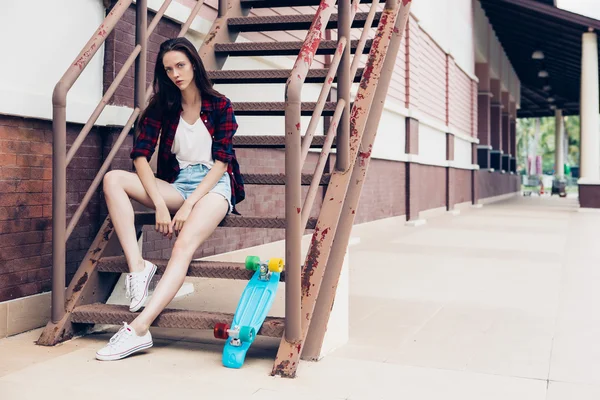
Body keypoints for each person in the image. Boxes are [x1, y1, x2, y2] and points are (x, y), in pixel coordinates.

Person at [96, 37, 244, 361]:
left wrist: (190, 205)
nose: (175, 74)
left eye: (180, 65)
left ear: (193, 64)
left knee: (182, 246)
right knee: (113, 180)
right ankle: (138, 268)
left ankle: (138, 329)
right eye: (168, 69)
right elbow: (139, 157)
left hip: (215, 186)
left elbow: (222, 162)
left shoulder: (220, 105)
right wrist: (161, 205)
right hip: (178, 184)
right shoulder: (164, 107)